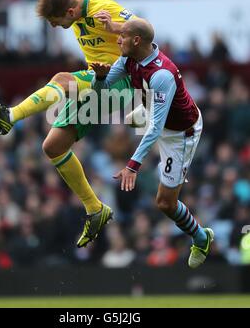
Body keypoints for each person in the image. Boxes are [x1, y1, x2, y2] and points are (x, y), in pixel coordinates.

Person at [0, 0, 136, 248]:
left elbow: (143, 31)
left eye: (56, 22)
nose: (55, 26)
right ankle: (95, 209)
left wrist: (115, 26)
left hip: (122, 81)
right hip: (97, 82)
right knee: (53, 147)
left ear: (70, 12)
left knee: (62, 79)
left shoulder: (103, 8)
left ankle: (10, 116)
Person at [91, 18, 214, 268]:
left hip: (180, 133)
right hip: (159, 113)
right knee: (132, 117)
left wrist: (132, 166)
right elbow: (100, 90)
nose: (118, 39)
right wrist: (99, 77)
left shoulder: (162, 75)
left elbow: (156, 130)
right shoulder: (129, 58)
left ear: (136, 41)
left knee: (164, 203)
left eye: (122, 36)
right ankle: (143, 111)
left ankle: (201, 238)